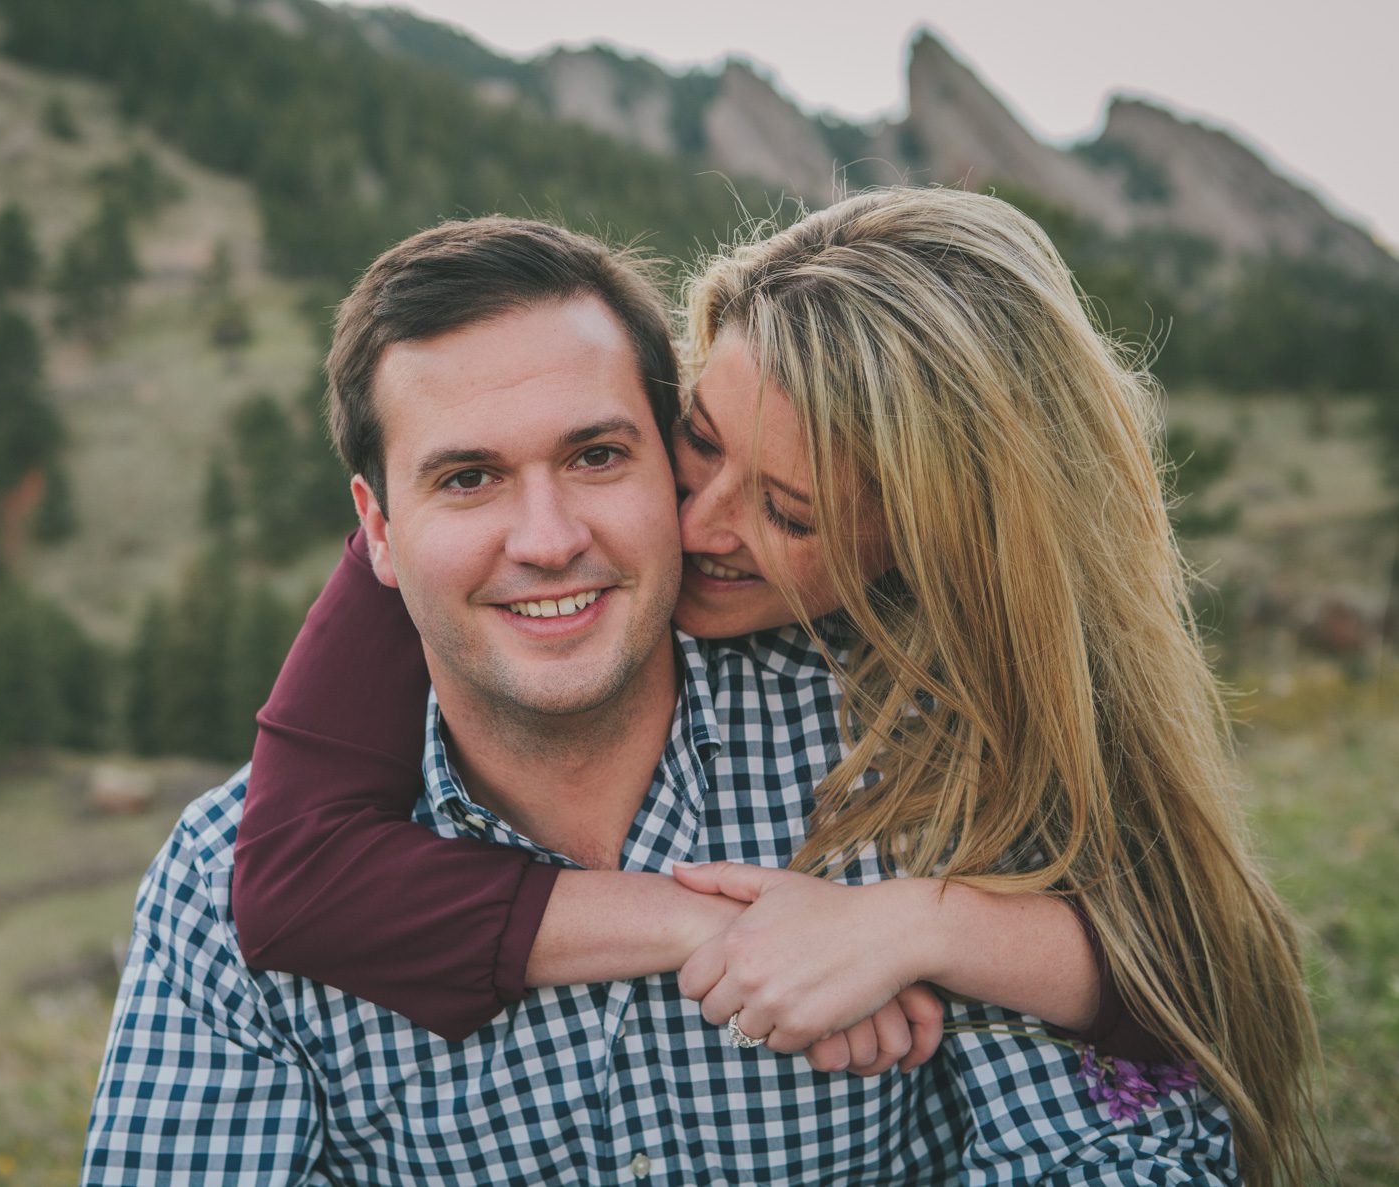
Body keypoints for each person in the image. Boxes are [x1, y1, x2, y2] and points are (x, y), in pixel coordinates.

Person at [84, 213, 1239, 1184]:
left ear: (907, 551)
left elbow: (1130, 1097)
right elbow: (284, 886)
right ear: (374, 528)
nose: (556, 540)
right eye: (467, 477)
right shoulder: (218, 881)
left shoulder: (918, 753)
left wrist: (930, 921)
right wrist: (709, 923)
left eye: (599, 456)